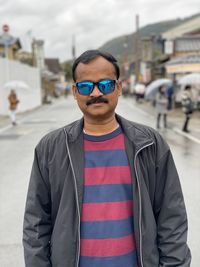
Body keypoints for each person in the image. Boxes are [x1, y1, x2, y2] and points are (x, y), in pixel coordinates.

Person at [23, 50, 191, 267]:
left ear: (119, 88)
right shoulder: (51, 149)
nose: (95, 93)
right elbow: (35, 224)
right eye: (85, 86)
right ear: (75, 91)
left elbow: (172, 217)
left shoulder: (150, 144)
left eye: (105, 85)